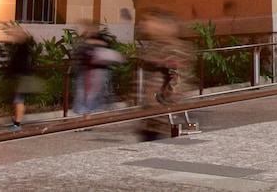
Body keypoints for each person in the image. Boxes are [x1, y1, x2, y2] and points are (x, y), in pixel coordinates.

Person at [134, 9, 193, 140]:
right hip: (149, 118)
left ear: (161, 24)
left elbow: (178, 81)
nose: (144, 24)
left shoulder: (173, 48)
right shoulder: (155, 46)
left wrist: (161, 102)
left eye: (149, 21)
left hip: (162, 120)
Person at [72, 26, 123, 117]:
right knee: (86, 99)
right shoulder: (85, 41)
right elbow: (80, 57)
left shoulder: (99, 39)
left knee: (91, 98)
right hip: (86, 73)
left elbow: (107, 49)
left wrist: (92, 43)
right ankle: (87, 119)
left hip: (97, 73)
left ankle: (91, 118)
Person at [5, 25, 41, 131]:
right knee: (19, 100)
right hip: (23, 76)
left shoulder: (22, 48)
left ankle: (17, 122)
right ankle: (17, 119)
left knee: (18, 100)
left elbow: (19, 63)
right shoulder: (23, 47)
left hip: (23, 77)